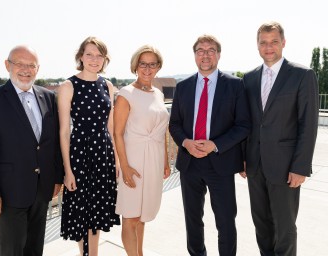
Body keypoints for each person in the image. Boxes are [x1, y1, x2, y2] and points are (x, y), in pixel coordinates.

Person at [0, 45, 64, 256]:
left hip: (41, 191)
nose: (26, 70)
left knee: (34, 250)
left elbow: (53, 144)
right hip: (8, 195)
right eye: (19, 64)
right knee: (13, 251)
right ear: (7, 65)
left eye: (31, 65)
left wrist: (56, 178)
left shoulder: (48, 97)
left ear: (38, 69)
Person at [241, 21, 319, 255]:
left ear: (283, 43)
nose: (269, 47)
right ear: (257, 46)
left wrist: (301, 167)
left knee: (285, 228)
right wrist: (243, 158)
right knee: (262, 226)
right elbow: (247, 124)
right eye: (263, 42)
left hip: (286, 167)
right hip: (255, 166)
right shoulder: (249, 78)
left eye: (274, 41)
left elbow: (309, 125)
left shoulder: (302, 75)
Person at [169, 35, 251, 256]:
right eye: (200, 50)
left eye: (211, 50)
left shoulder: (235, 85)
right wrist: (186, 143)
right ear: (195, 55)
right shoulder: (183, 86)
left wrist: (215, 144)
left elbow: (243, 125)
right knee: (192, 220)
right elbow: (174, 124)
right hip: (190, 164)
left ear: (219, 54)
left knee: (225, 221)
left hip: (221, 163)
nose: (205, 55)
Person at [58, 36, 120, 256]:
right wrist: (67, 170)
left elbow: (110, 128)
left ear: (105, 59)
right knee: (81, 210)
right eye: (89, 54)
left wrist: (117, 162)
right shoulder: (68, 86)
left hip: (103, 154)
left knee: (98, 210)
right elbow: (64, 131)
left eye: (99, 55)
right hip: (79, 154)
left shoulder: (108, 85)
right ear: (81, 56)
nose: (94, 59)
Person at [114, 45, 170, 256]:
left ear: (158, 67)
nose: (147, 69)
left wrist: (165, 161)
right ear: (135, 66)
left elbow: (162, 131)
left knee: (143, 216)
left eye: (152, 64)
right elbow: (117, 133)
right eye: (143, 64)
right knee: (130, 217)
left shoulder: (158, 93)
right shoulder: (125, 94)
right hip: (134, 161)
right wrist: (125, 166)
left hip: (154, 161)